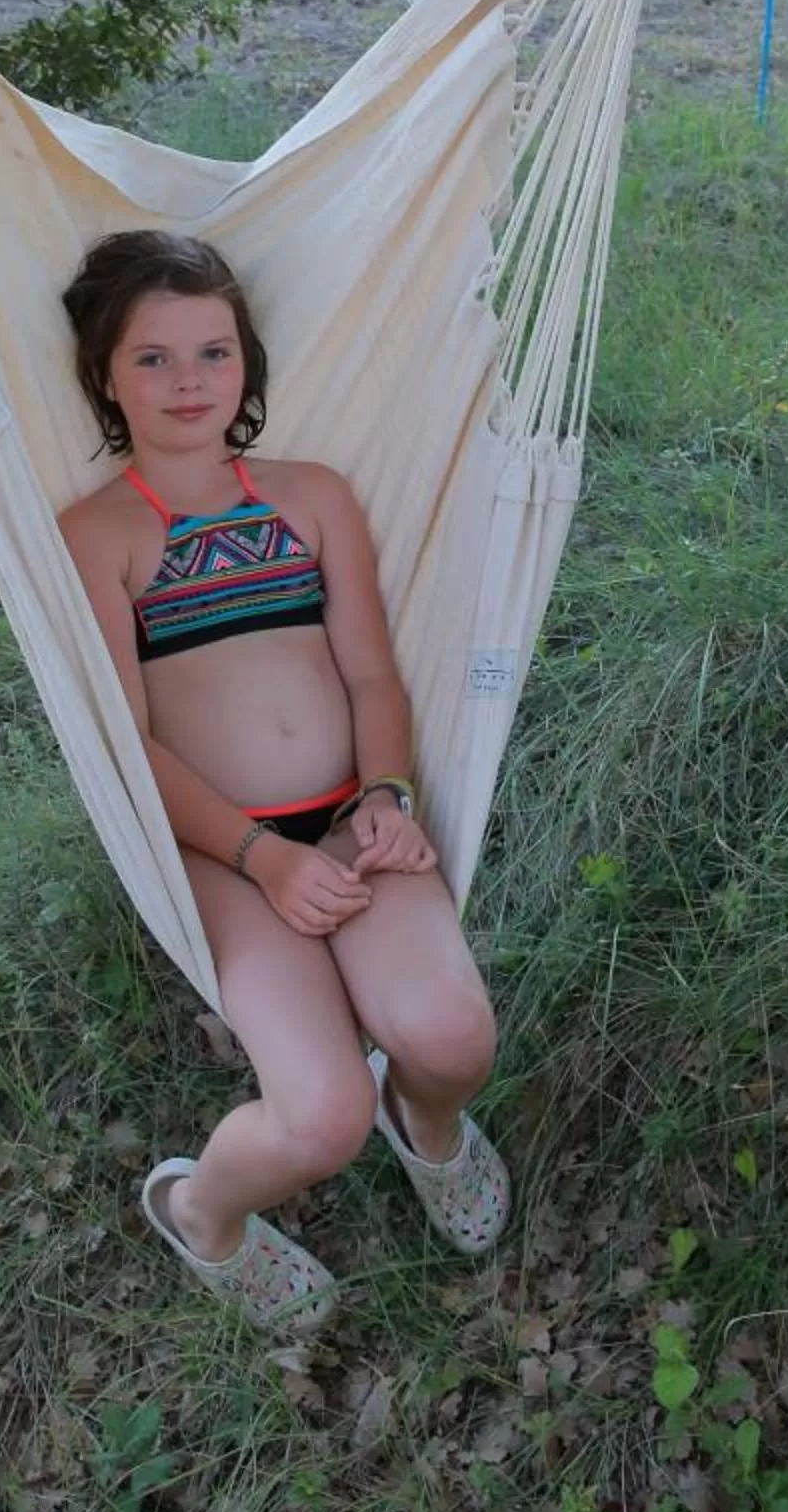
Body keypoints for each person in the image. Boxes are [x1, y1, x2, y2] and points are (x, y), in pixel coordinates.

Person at [57, 229, 509, 1333]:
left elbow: (369, 672)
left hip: (351, 819)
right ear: (101, 375)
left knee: (453, 1041)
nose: (187, 382)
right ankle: (199, 1209)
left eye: (212, 353)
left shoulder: (312, 498)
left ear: (248, 363)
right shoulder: (98, 536)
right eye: (151, 358)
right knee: (317, 1120)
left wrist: (386, 796)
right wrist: (263, 857)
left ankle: (430, 1123)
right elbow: (124, 746)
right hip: (226, 854)